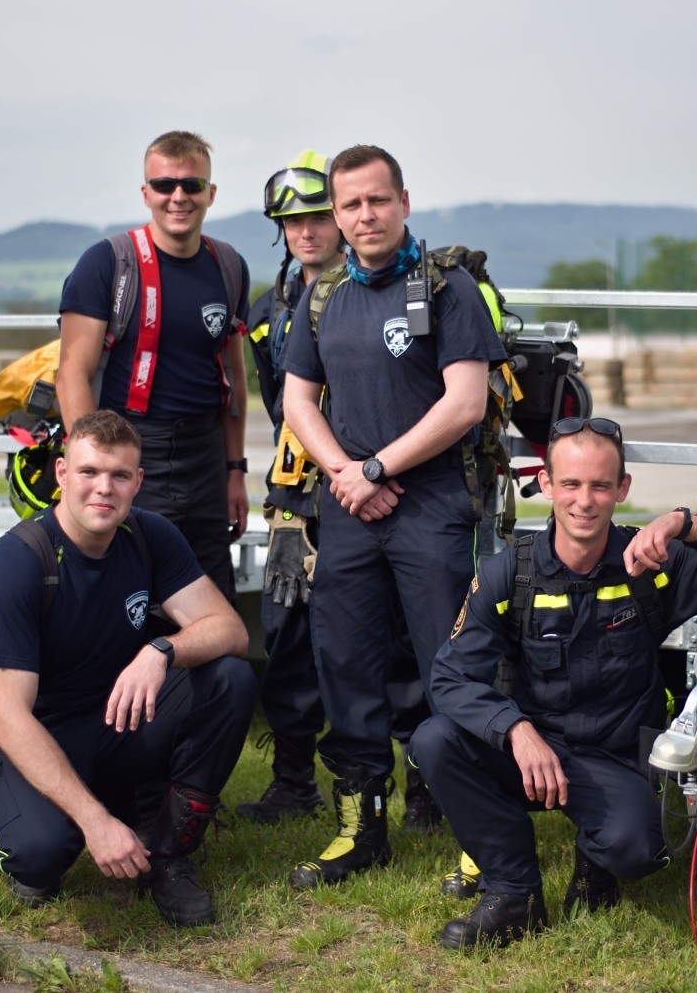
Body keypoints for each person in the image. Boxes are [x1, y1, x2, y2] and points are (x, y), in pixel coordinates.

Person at [414, 417, 697, 948]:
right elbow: (450, 676)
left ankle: (597, 864)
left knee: (639, 850)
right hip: (533, 750)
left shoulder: (651, 564)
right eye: (570, 484)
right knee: (435, 740)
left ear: (622, 489)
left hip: (612, 758)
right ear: (546, 485)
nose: (583, 501)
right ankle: (513, 890)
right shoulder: (509, 573)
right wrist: (516, 731)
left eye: (599, 486)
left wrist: (683, 523)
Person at [281, 145, 504, 887]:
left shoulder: (448, 288)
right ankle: (361, 825)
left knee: (451, 668)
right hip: (348, 505)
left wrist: (379, 467)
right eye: (351, 205)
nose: (365, 216)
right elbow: (294, 401)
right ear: (337, 215)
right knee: (344, 659)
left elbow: (465, 403)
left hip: (431, 505)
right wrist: (347, 472)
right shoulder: (325, 294)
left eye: (377, 200)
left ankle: (479, 829)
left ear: (403, 202)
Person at [0, 410, 256, 926]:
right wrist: (94, 821)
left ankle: (169, 854)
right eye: (89, 472)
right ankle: (53, 809)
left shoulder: (149, 536)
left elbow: (231, 630)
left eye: (120, 476)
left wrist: (161, 650)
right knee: (40, 859)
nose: (104, 489)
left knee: (230, 679)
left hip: (115, 721)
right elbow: (10, 717)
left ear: (138, 482)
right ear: (61, 474)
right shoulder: (16, 563)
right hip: (37, 736)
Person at [239, 151, 439, 830]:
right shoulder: (268, 311)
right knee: (297, 640)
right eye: (290, 222)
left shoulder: (411, 289)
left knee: (406, 646)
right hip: (302, 496)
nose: (306, 232)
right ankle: (295, 779)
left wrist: (371, 474)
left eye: (318, 216)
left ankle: (428, 782)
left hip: (392, 490)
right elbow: (282, 405)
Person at [55, 131, 251, 601]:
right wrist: (99, 469)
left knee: (209, 590)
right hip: (129, 447)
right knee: (127, 589)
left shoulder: (229, 266)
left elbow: (233, 378)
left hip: (204, 455)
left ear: (211, 193)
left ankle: (211, 676)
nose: (177, 197)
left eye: (191, 184)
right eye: (163, 186)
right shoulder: (108, 262)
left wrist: (235, 471)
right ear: (146, 193)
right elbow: (71, 376)